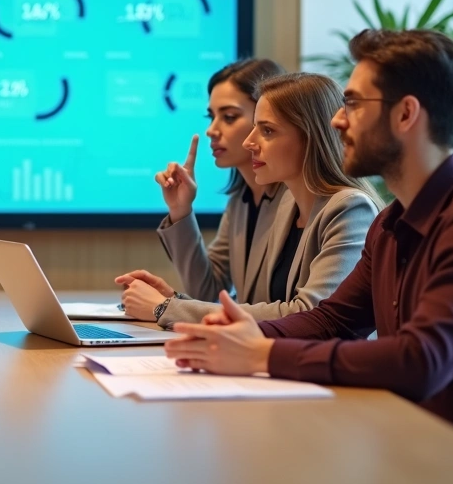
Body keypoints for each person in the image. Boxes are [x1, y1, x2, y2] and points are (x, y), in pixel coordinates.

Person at [164, 29, 453, 447]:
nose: (337, 119)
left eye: (354, 104)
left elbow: (421, 359)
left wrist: (262, 353)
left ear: (406, 115)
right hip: (419, 447)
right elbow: (331, 320)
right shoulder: (391, 221)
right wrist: (241, 332)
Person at [119, 71, 378, 326]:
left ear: (310, 138)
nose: (249, 142)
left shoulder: (350, 208)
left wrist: (168, 307)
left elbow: (309, 316)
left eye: (267, 130)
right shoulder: (288, 207)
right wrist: (175, 301)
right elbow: (257, 305)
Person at [113, 58, 294, 324]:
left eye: (229, 117)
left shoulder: (301, 199)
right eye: (211, 116)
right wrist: (181, 212)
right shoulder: (240, 201)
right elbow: (210, 292)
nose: (211, 129)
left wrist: (166, 307)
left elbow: (306, 314)